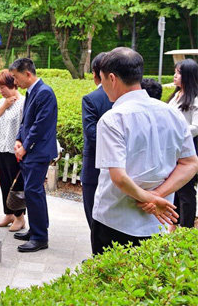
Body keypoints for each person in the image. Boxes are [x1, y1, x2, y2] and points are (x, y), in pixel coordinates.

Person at [92, 47, 198, 255]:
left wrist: (148, 198)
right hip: (156, 222)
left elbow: (119, 178)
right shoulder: (171, 113)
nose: (102, 86)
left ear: (112, 78)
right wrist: (157, 196)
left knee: (109, 284)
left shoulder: (113, 118)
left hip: (114, 218)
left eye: (102, 80)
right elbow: (190, 163)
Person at [10, 58, 57, 253]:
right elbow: (26, 121)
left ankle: (40, 237)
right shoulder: (32, 92)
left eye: (16, 77)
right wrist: (19, 139)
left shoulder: (44, 93)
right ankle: (36, 230)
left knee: (33, 191)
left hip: (39, 151)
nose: (15, 82)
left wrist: (25, 147)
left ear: (27, 74)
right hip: (31, 149)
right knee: (33, 192)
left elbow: (40, 125)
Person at [0, 70, 26, 232]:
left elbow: (25, 126)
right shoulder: (1, 102)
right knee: (4, 183)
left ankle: (20, 217)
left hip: (14, 150)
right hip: (1, 148)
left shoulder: (23, 102)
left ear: (13, 84)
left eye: (3, 87)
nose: (1, 91)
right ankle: (8, 213)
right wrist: (4, 105)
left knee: (15, 185)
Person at [80, 53, 113, 241]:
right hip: (125, 168)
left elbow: (91, 134)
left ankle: (99, 257)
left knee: (93, 213)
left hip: (95, 166)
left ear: (95, 73)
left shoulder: (92, 98)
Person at [167, 59, 198, 229]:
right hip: (175, 149)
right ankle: (174, 223)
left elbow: (196, 127)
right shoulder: (176, 96)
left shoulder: (195, 99)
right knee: (177, 188)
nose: (175, 76)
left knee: (186, 190)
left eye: (178, 73)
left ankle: (186, 228)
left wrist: (178, 133)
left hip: (189, 149)